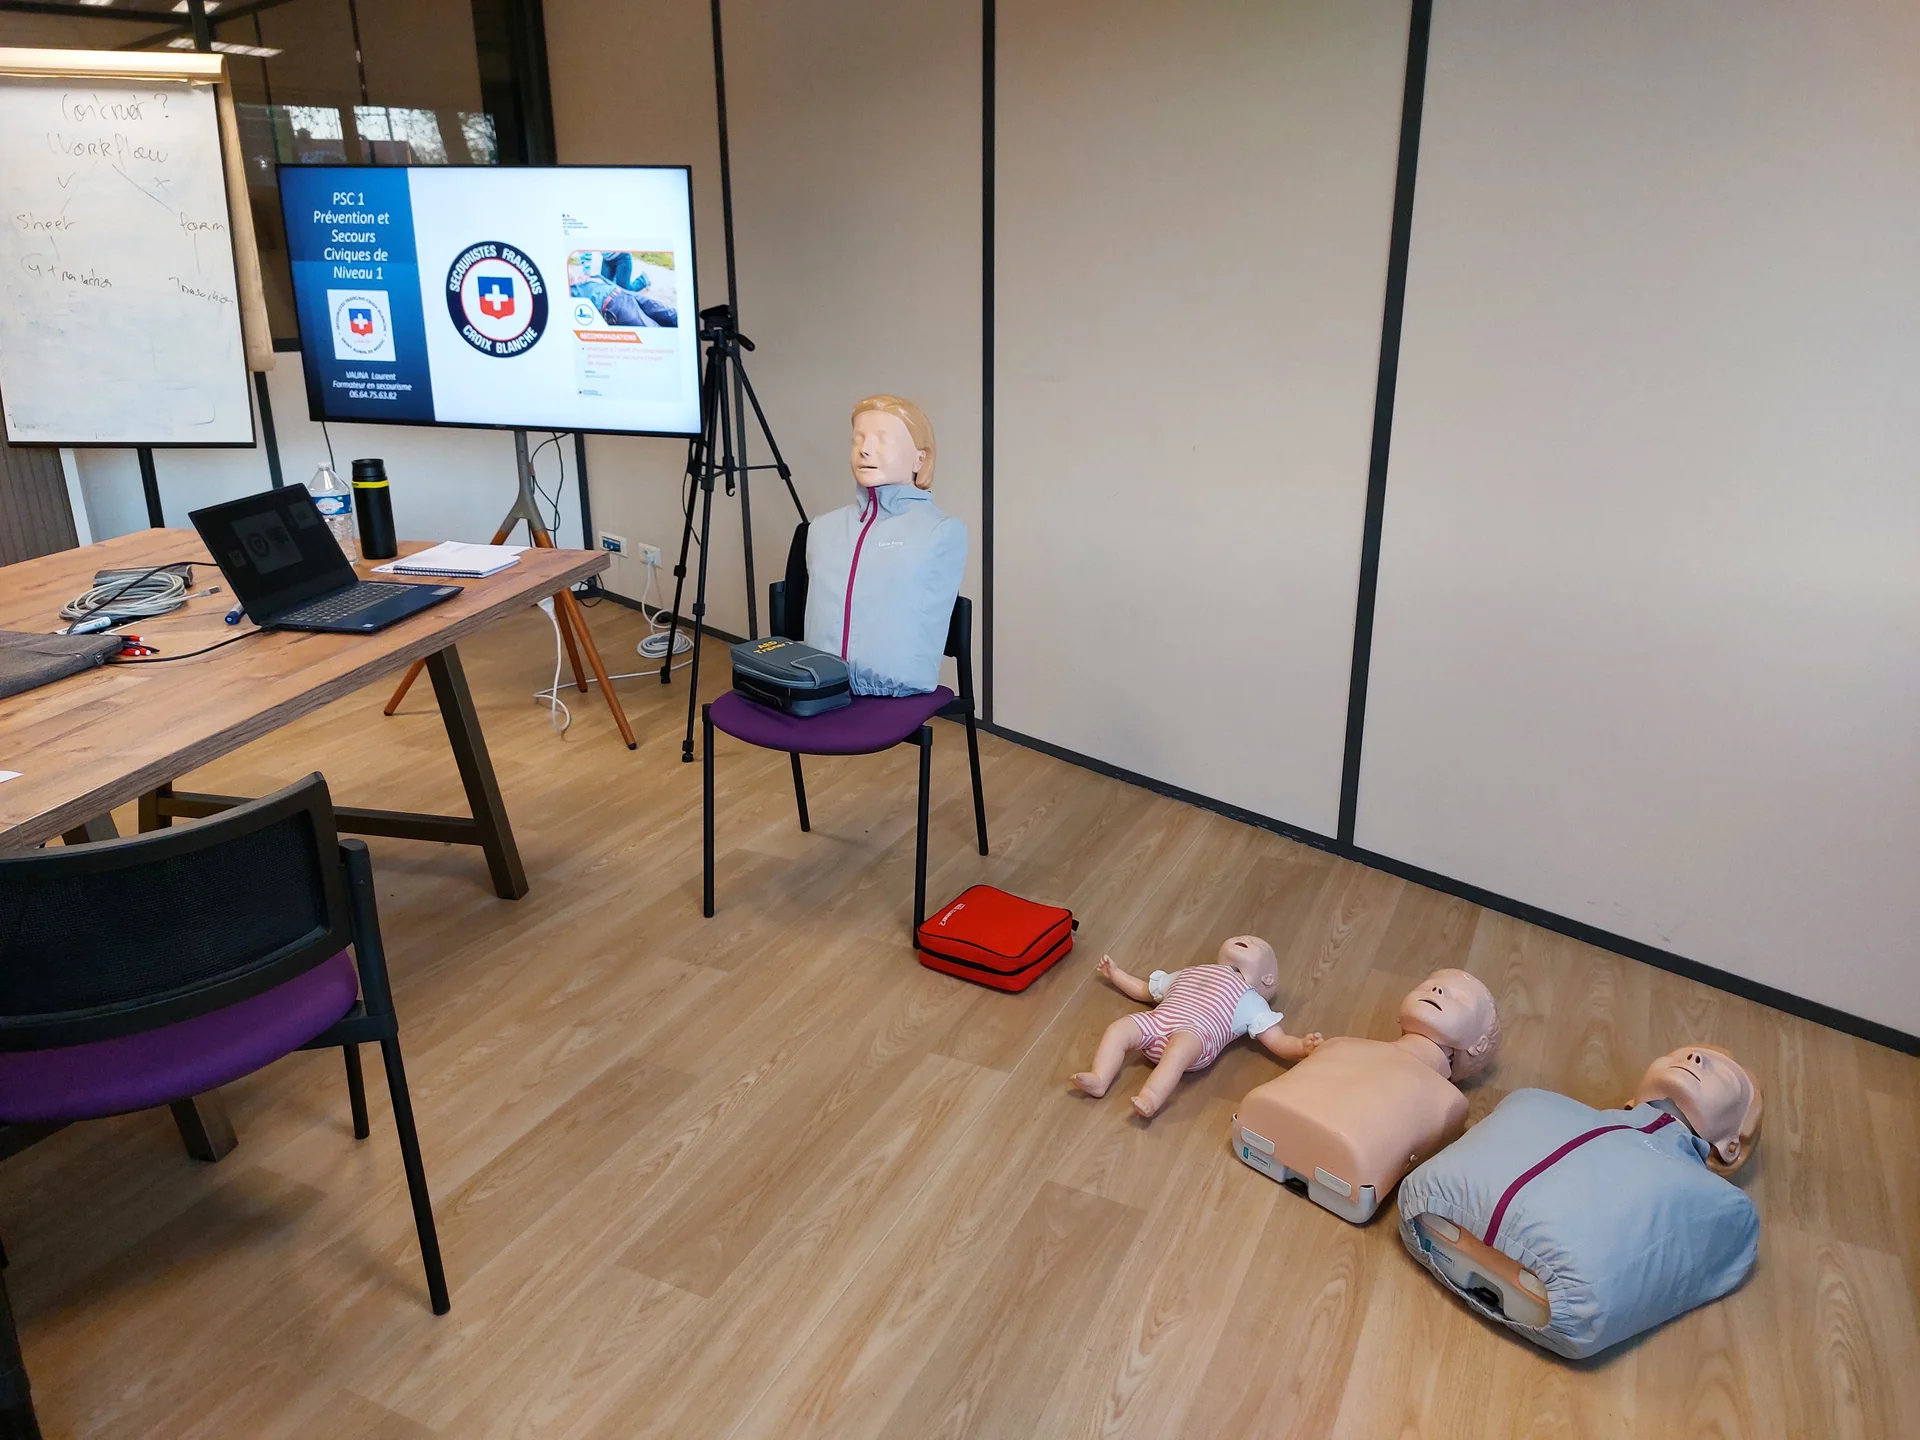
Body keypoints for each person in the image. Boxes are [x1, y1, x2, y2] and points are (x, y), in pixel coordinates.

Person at [803, 396, 966, 696]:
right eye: (858, 439)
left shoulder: (940, 532)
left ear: (920, 459)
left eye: (883, 440)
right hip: (817, 687)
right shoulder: (822, 528)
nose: (865, 449)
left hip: (895, 691)